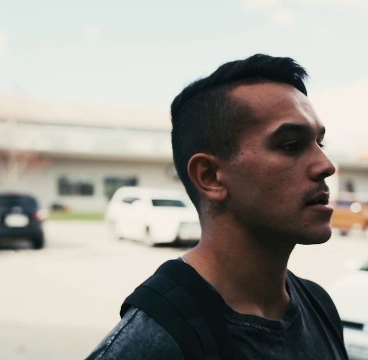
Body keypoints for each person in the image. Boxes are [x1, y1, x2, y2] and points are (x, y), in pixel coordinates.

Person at [87, 54, 349, 359]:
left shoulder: (319, 305)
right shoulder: (154, 343)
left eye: (320, 143)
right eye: (290, 145)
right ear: (210, 177)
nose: (326, 166)